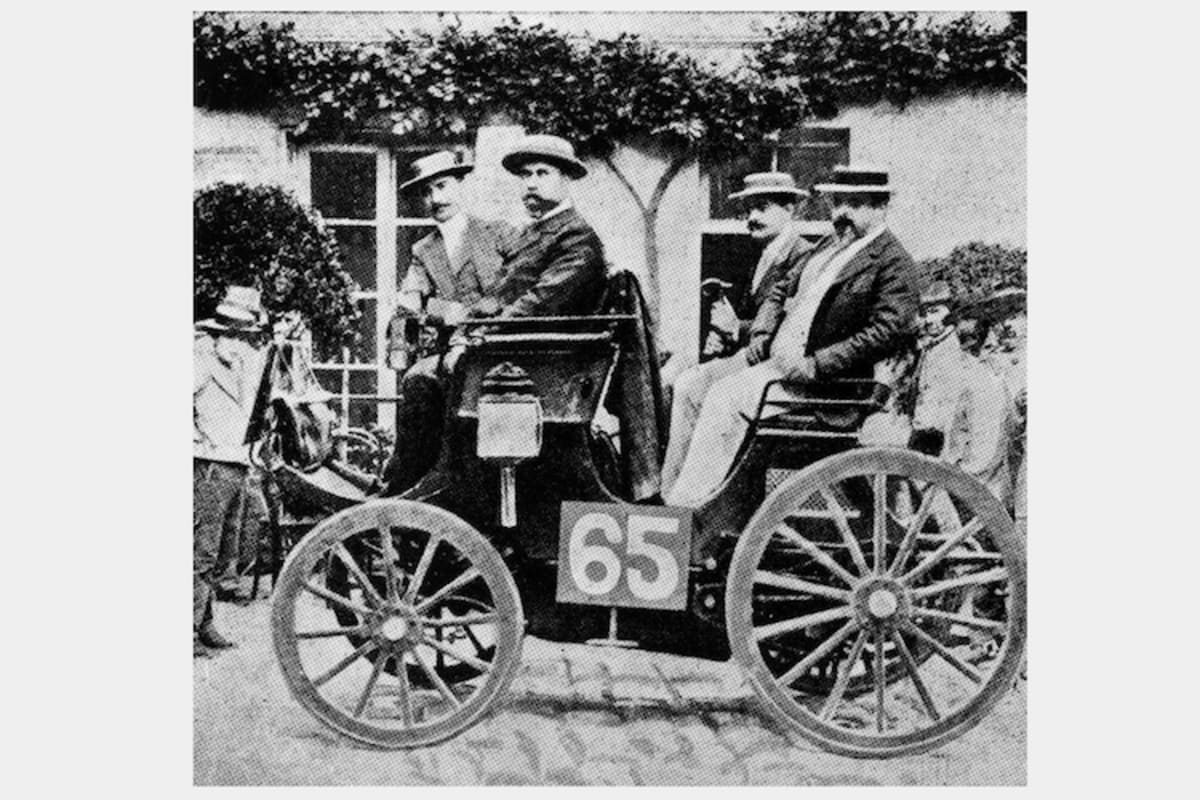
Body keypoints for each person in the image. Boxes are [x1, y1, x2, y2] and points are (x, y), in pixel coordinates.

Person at [664, 165, 919, 507]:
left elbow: (888, 331)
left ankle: (690, 509)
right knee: (696, 388)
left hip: (830, 384)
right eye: (837, 202)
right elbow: (781, 288)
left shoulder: (893, 262)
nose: (841, 212)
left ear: (880, 207)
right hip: (783, 368)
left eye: (854, 204)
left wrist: (817, 364)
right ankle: (671, 498)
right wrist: (764, 330)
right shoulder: (832, 245)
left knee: (725, 398)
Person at [382, 134, 608, 494]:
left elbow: (535, 302)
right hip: (497, 348)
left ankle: (420, 486)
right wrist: (459, 324)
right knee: (420, 375)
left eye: (542, 173)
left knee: (422, 379)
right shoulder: (539, 231)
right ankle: (411, 480)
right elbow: (496, 297)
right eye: (525, 176)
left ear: (567, 178)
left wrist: (472, 337)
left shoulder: (567, 236)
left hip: (522, 361)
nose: (531, 183)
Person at [660, 172, 814, 497]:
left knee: (692, 386)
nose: (752, 218)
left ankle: (685, 498)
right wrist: (729, 336)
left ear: (791, 210)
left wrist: (737, 330)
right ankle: (675, 492)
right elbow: (754, 321)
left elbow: (791, 327)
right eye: (748, 210)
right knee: (683, 382)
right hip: (752, 357)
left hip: (776, 367)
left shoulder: (803, 258)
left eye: (762, 207)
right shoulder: (761, 255)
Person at [383, 151, 515, 491]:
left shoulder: (498, 234)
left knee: (430, 376)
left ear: (461, 185)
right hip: (452, 353)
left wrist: (464, 316)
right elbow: (409, 302)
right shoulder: (424, 250)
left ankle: (447, 478)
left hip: (498, 344)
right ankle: (410, 478)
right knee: (418, 378)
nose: (435, 199)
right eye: (426, 192)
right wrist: (441, 311)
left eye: (442, 186)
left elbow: (517, 290)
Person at [194, 286, 271, 657]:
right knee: (200, 553)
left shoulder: (243, 362)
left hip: (236, 463)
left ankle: (205, 624)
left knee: (227, 553)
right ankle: (188, 630)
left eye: (245, 336)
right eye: (233, 334)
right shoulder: (198, 357)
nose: (239, 343)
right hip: (207, 465)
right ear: (219, 330)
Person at [909, 282, 1013, 505]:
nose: (928, 320)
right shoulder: (931, 350)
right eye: (924, 313)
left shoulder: (954, 353)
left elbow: (951, 410)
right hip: (939, 446)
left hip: (955, 453)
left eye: (935, 312)